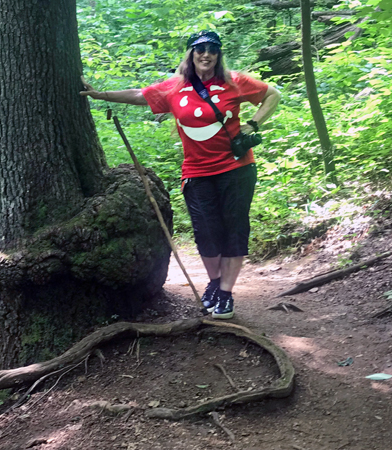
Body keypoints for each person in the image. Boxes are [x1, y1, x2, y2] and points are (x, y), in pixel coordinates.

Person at [80, 30, 281, 320]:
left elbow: (272, 95)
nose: (206, 54)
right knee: (206, 233)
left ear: (219, 54)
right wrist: (99, 94)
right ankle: (214, 283)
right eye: (200, 49)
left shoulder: (234, 81)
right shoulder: (176, 87)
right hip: (197, 172)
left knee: (234, 230)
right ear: (191, 54)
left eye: (212, 49)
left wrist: (253, 124)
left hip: (236, 169)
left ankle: (225, 293)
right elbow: (139, 95)